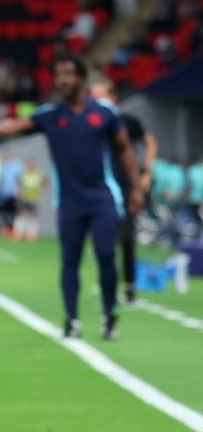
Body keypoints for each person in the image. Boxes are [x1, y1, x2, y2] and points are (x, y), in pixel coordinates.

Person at [0, 56, 143, 340]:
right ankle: (72, 319)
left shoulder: (105, 114)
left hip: (101, 198)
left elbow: (124, 149)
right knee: (69, 261)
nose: (62, 80)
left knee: (106, 255)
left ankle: (110, 315)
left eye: (68, 74)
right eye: (58, 75)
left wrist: (135, 187)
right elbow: (12, 126)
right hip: (69, 202)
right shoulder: (50, 116)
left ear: (82, 79)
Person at [89, 78, 157, 305]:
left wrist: (147, 171)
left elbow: (150, 142)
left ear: (113, 97)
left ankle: (129, 286)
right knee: (103, 239)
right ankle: (107, 282)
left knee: (127, 238)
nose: (96, 100)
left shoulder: (126, 121)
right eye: (93, 96)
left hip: (127, 186)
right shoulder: (91, 122)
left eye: (100, 95)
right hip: (102, 187)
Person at [16, 160, 45, 243]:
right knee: (22, 214)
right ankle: (19, 233)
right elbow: (19, 185)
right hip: (24, 198)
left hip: (34, 198)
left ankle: (32, 234)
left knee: (33, 216)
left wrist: (41, 192)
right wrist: (20, 194)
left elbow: (44, 183)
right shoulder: (23, 174)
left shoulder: (38, 173)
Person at [0, 153, 24, 240]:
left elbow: (20, 179)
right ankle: (7, 230)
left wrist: (20, 191)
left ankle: (14, 231)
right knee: (4, 213)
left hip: (14, 195)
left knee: (15, 213)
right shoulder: (3, 167)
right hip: (4, 195)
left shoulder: (17, 166)